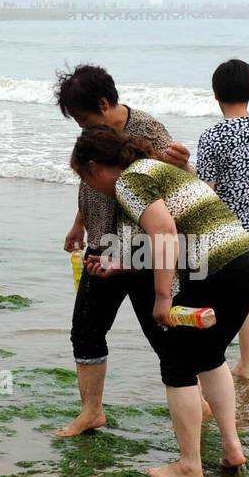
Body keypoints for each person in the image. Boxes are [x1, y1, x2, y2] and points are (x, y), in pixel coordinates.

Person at [71, 127, 249, 477]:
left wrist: (163, 299)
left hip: (216, 269)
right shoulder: (155, 170)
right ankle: (231, 447)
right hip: (248, 261)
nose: (90, 187)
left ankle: (189, 466)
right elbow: (172, 233)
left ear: (95, 167)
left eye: (84, 178)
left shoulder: (130, 182)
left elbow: (164, 233)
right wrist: (118, 266)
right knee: (210, 357)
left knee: (178, 363)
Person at [54, 64, 194, 437]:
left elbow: (179, 186)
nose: (81, 127)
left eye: (83, 117)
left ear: (103, 103)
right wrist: (79, 223)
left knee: (161, 333)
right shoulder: (93, 135)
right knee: (85, 329)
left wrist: (177, 163)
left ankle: (199, 406)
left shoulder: (146, 128)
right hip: (101, 242)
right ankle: (91, 412)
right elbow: (90, 181)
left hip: (143, 250)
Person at [196, 59, 249, 381]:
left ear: (216, 94)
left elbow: (204, 192)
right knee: (246, 300)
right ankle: (247, 366)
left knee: (211, 303)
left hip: (220, 238)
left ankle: (210, 369)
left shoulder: (213, 135)